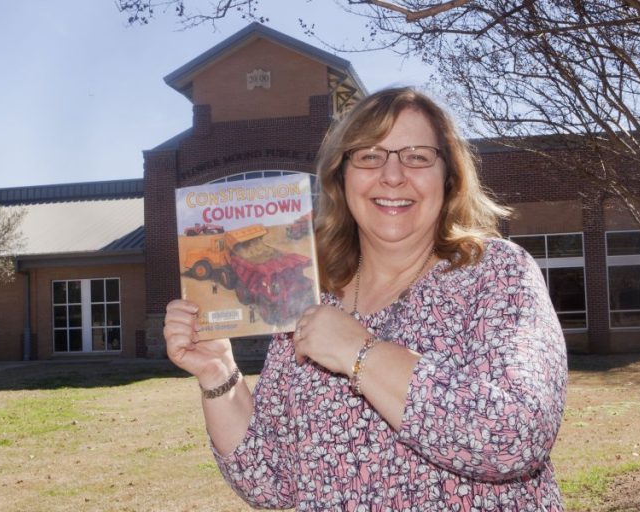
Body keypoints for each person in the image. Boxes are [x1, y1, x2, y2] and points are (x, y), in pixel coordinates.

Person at [164, 87, 567, 511]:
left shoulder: (495, 273)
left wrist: (361, 353)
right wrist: (218, 373)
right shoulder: (311, 298)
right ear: (341, 177)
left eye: (416, 156)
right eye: (370, 156)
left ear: (449, 177)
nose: (392, 175)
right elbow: (272, 481)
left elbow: (517, 436)